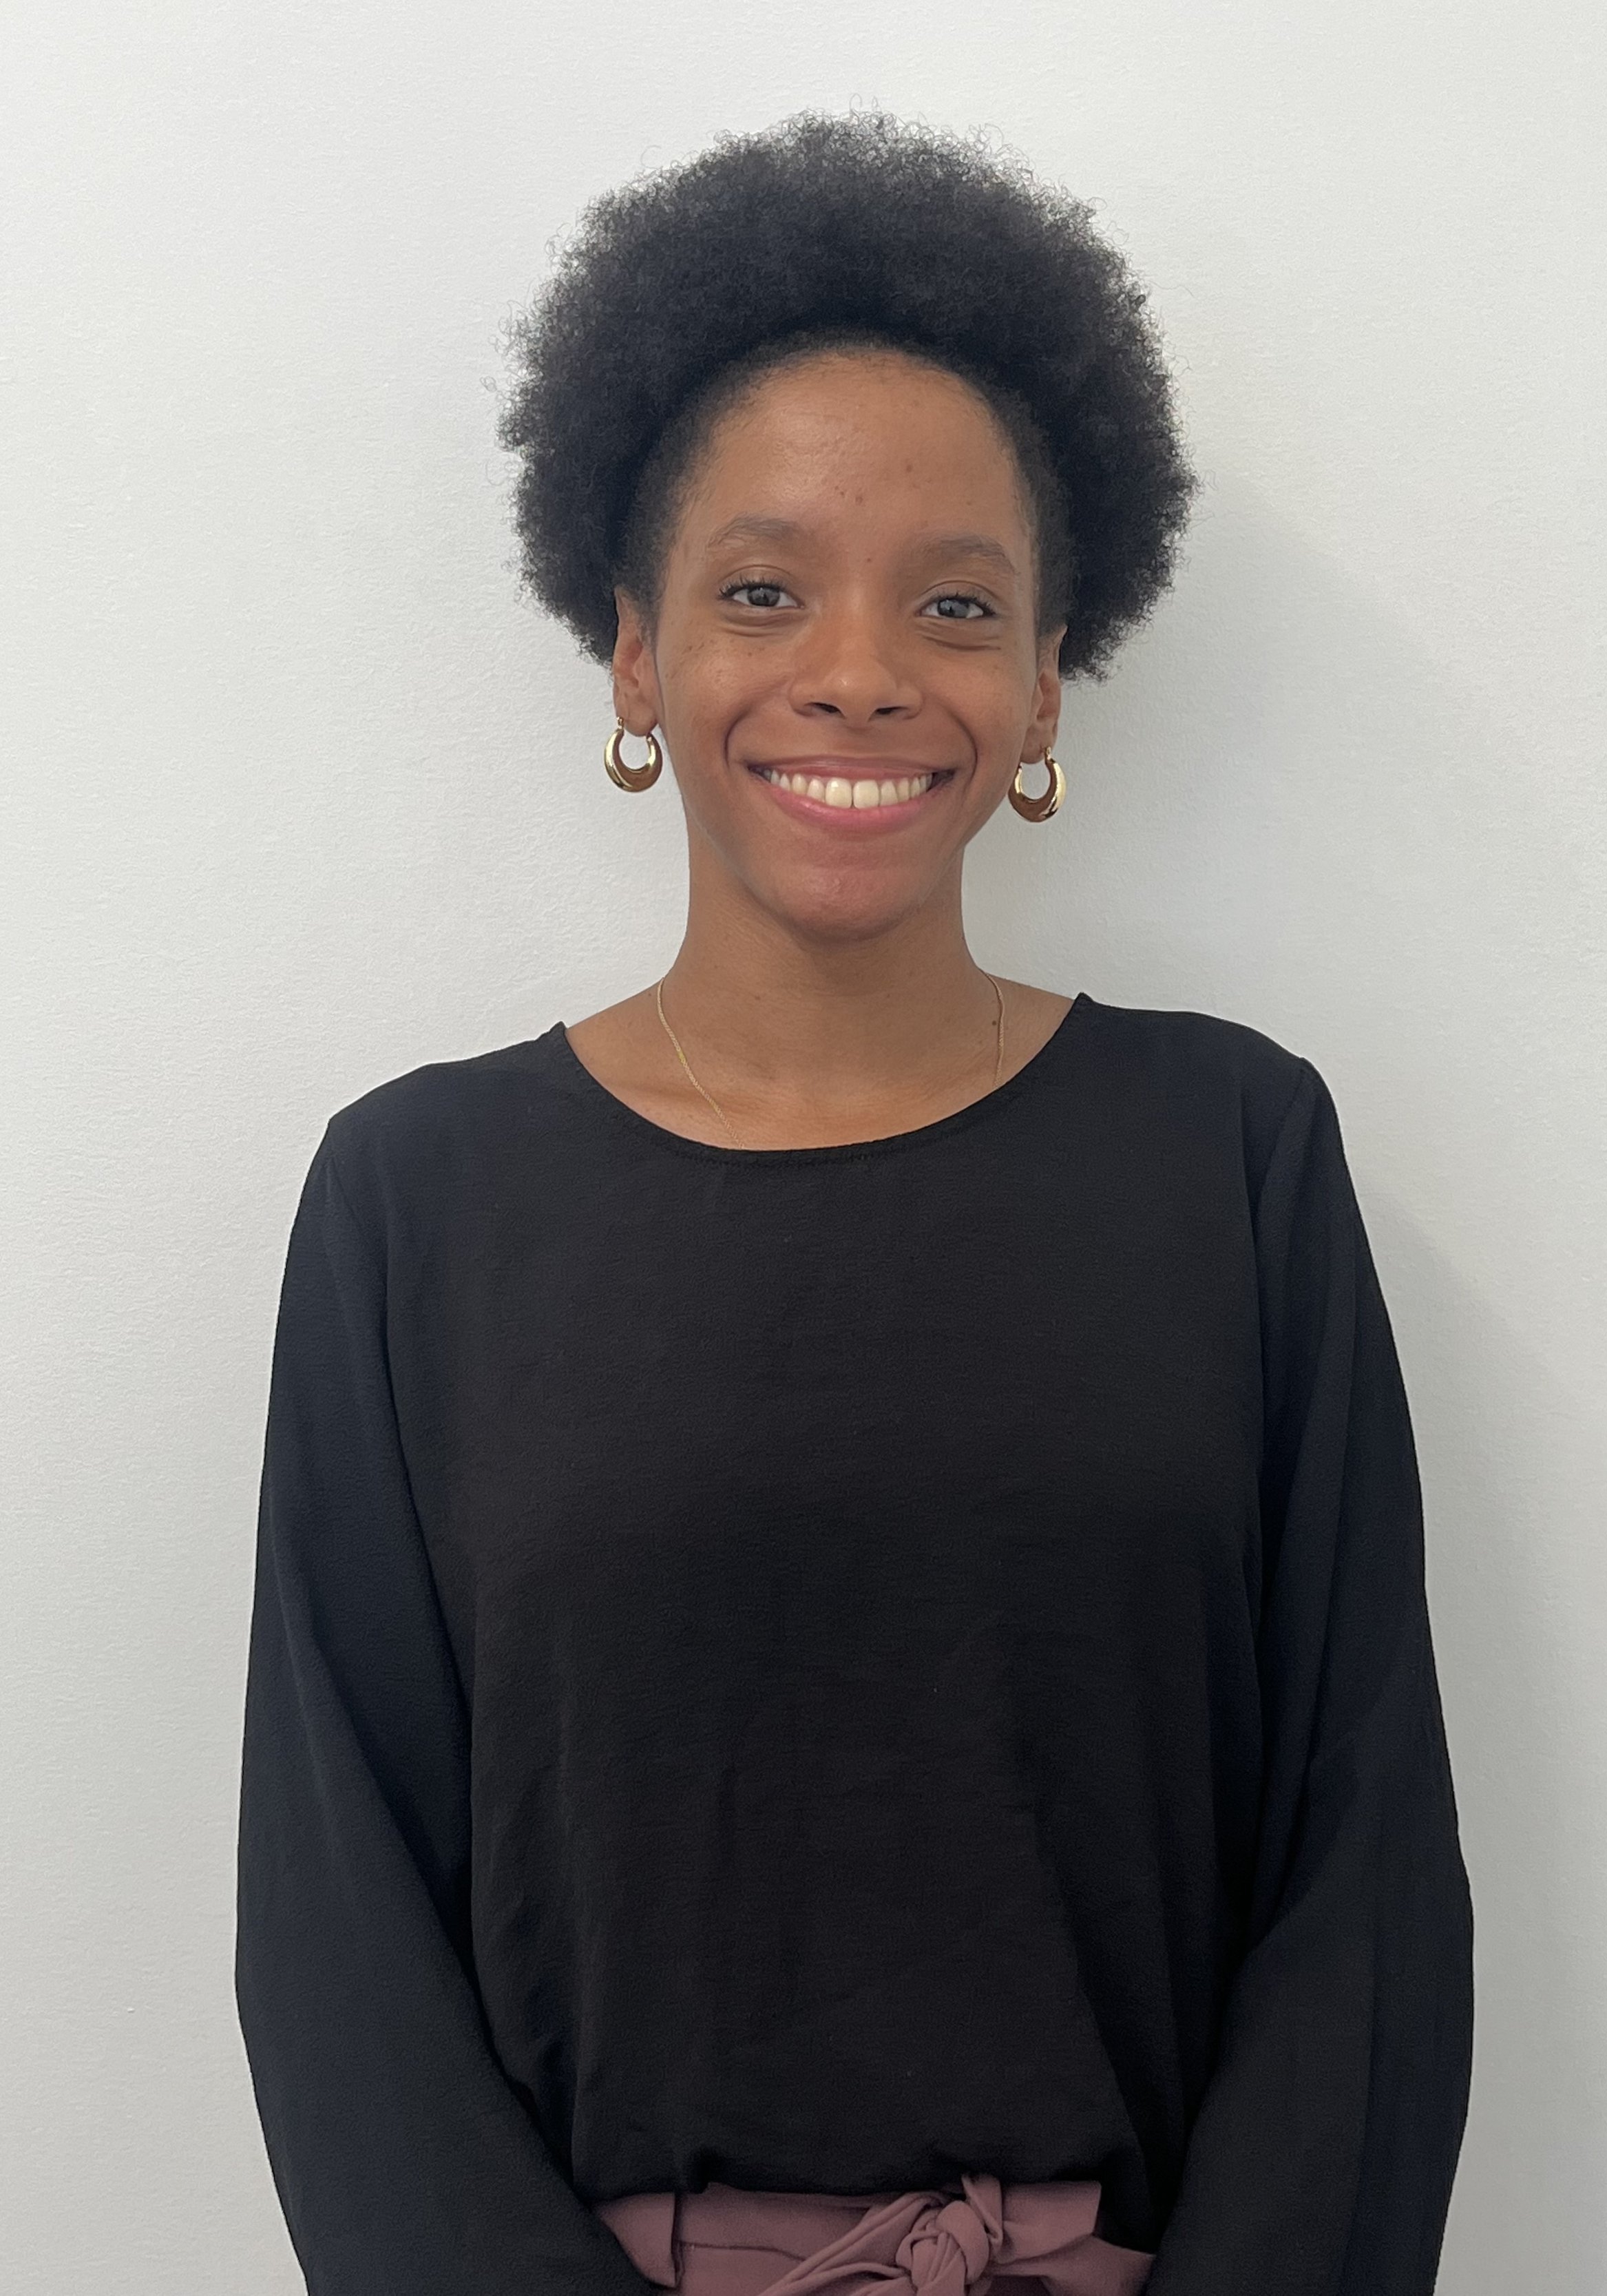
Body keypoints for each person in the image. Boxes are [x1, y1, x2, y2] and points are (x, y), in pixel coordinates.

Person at [235, 110, 1473, 2296]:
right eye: (759, 588)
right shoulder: (417, 1207)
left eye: (956, 602)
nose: (859, 670)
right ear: (630, 654)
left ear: (1042, 680)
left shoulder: (1233, 1158)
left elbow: (1361, 1883)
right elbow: (340, 1952)